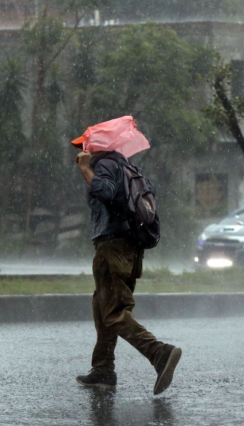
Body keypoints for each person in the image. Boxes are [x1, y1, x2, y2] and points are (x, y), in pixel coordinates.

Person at [74, 148, 181, 395]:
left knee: (113, 312)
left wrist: (85, 169)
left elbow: (105, 192)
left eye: (87, 146)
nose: (83, 150)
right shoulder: (129, 168)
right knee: (103, 308)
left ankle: (159, 353)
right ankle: (103, 370)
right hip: (130, 247)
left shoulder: (104, 165)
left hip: (112, 246)